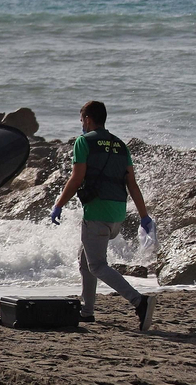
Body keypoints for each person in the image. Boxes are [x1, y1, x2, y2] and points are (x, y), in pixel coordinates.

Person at [50, 101, 156, 330]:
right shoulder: (120, 145)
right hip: (118, 213)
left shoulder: (83, 142)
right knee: (85, 260)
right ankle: (87, 311)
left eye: (81, 121)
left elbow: (77, 179)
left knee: (97, 265)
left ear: (87, 119)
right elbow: (132, 184)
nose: (81, 125)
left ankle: (140, 301)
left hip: (97, 213)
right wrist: (144, 217)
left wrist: (58, 204)